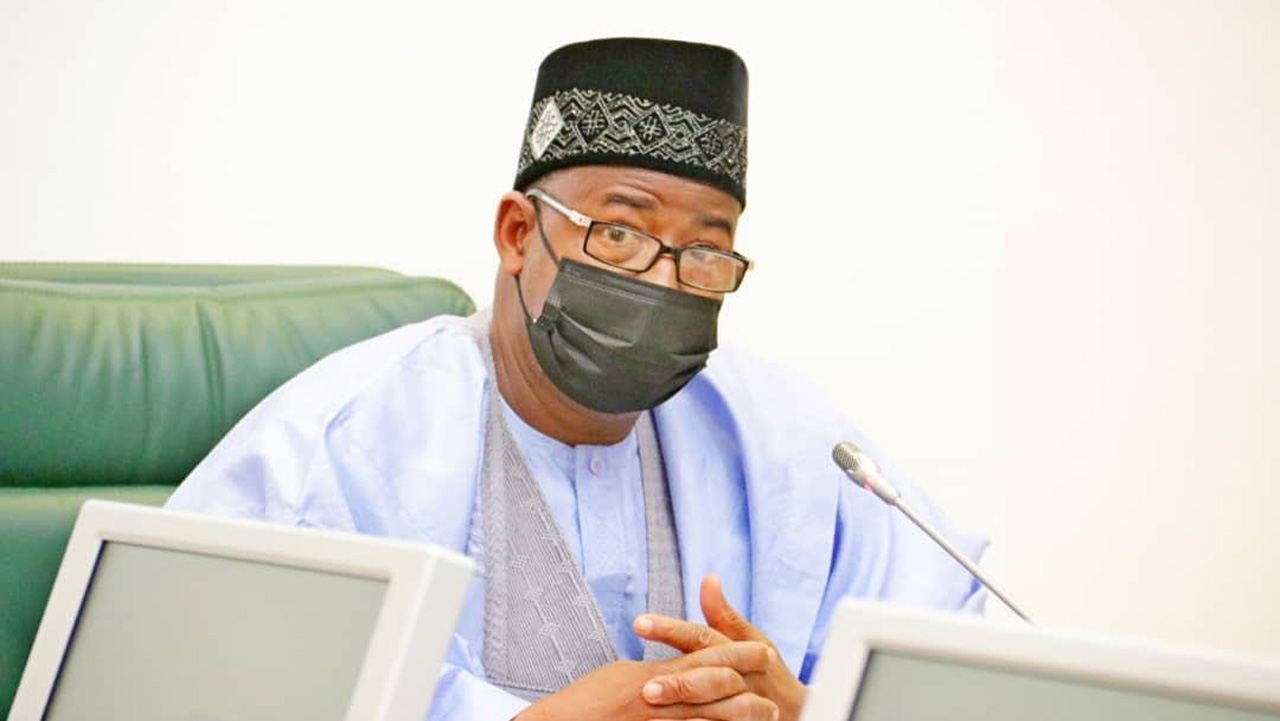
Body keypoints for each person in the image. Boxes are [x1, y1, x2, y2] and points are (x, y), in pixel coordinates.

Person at [166, 37, 986, 721]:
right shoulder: (344, 440)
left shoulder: (789, 440)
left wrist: (806, 711)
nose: (663, 280)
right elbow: (192, 682)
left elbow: (957, 668)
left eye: (705, 251)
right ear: (518, 233)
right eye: (621, 233)